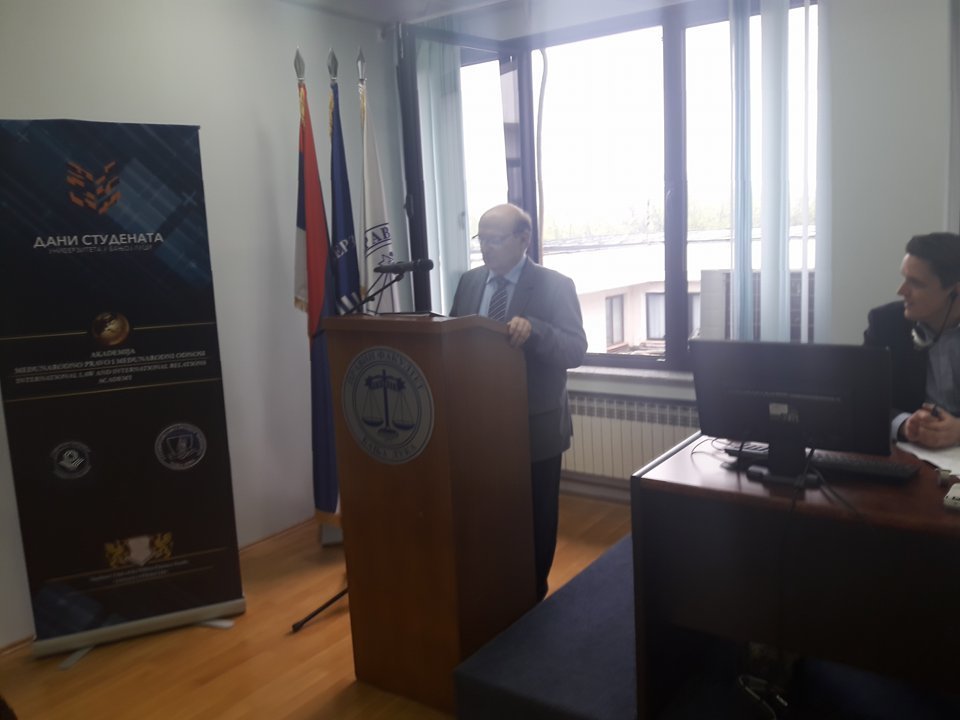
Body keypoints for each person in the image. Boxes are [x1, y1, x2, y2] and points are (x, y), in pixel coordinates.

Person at [450, 203, 587, 601]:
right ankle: (495, 590)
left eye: (494, 239)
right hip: (479, 425)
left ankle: (533, 596)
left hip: (534, 424)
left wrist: (536, 331)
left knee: (535, 517)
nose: (485, 248)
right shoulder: (470, 282)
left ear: (524, 239)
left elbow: (575, 350)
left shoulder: (554, 285)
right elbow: (454, 338)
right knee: (490, 513)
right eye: (481, 239)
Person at [864, 231, 960, 448]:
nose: (901, 291)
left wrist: (958, 431)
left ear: (955, 290)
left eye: (915, 283)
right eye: (904, 278)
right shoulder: (885, 323)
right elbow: (864, 397)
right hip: (911, 453)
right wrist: (904, 424)